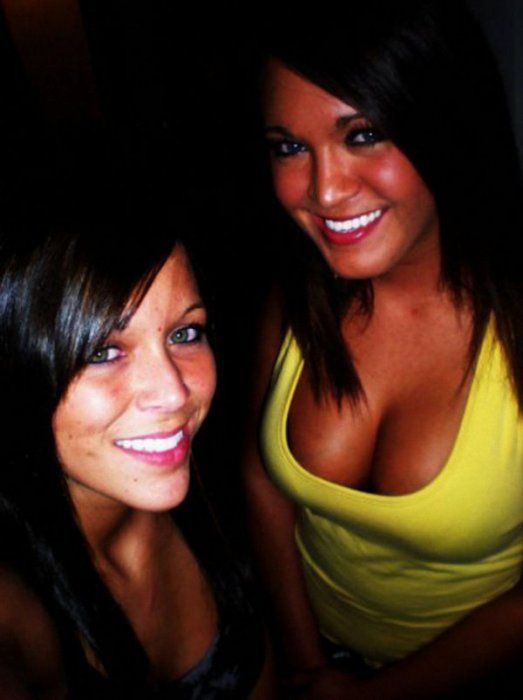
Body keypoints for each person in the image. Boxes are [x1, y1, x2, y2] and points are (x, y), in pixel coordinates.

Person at [243, 0, 523, 696]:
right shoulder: (298, 293)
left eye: (363, 134)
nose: (324, 190)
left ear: (447, 127)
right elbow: (261, 481)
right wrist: (305, 663)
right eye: (288, 147)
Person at [0, 197, 272, 698]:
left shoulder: (207, 475)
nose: (174, 392)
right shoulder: (14, 610)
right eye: (104, 351)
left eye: (185, 333)